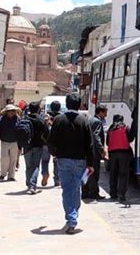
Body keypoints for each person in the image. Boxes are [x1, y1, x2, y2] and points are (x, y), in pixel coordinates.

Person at [48, 93, 94, 234]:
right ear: (79, 105)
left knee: (67, 189)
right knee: (75, 189)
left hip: (63, 160)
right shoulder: (84, 120)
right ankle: (73, 218)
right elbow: (89, 144)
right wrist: (91, 163)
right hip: (80, 161)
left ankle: (71, 218)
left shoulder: (58, 120)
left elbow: (51, 140)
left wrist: (54, 153)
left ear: (67, 104)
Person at [106, 114, 136, 203]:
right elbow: (130, 139)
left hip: (112, 154)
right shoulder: (125, 128)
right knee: (123, 174)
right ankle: (122, 194)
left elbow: (107, 142)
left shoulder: (110, 129)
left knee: (113, 174)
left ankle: (113, 193)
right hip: (124, 153)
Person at [82, 104, 108, 200]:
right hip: (94, 152)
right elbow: (96, 137)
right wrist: (102, 149)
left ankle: (85, 192)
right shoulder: (97, 122)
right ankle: (94, 192)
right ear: (100, 112)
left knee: (87, 172)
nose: (106, 115)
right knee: (94, 173)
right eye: (105, 112)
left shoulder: (89, 119)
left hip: (86, 150)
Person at [24, 101, 49, 194]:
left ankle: (29, 183)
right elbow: (47, 134)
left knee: (28, 166)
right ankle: (32, 186)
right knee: (35, 166)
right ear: (38, 109)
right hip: (38, 145)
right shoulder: (41, 120)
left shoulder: (25, 119)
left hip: (26, 146)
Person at [0, 104, 20, 181]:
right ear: (6, 112)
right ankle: (3, 173)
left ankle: (11, 176)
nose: (11, 113)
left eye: (13, 111)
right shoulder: (1, 120)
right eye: (10, 111)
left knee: (13, 159)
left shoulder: (18, 119)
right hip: (4, 141)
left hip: (15, 142)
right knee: (4, 158)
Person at [41, 100, 61, 187]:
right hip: (57, 143)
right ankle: (57, 180)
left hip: (46, 142)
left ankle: (45, 173)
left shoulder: (45, 116)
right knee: (56, 162)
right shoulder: (61, 117)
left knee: (45, 161)